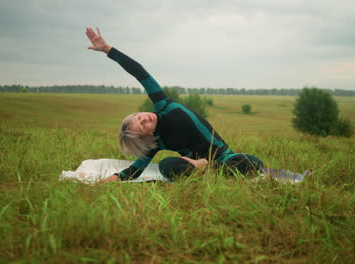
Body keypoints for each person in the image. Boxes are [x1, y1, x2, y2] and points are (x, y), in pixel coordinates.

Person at [86, 27, 264, 182]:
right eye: (142, 125)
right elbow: (134, 171)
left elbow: (139, 72)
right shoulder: (156, 143)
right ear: (146, 135)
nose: (145, 119)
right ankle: (205, 171)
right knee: (166, 165)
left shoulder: (163, 104)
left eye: (139, 117)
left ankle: (207, 170)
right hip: (193, 165)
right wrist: (114, 179)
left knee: (255, 164)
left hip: (225, 158)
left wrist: (108, 49)